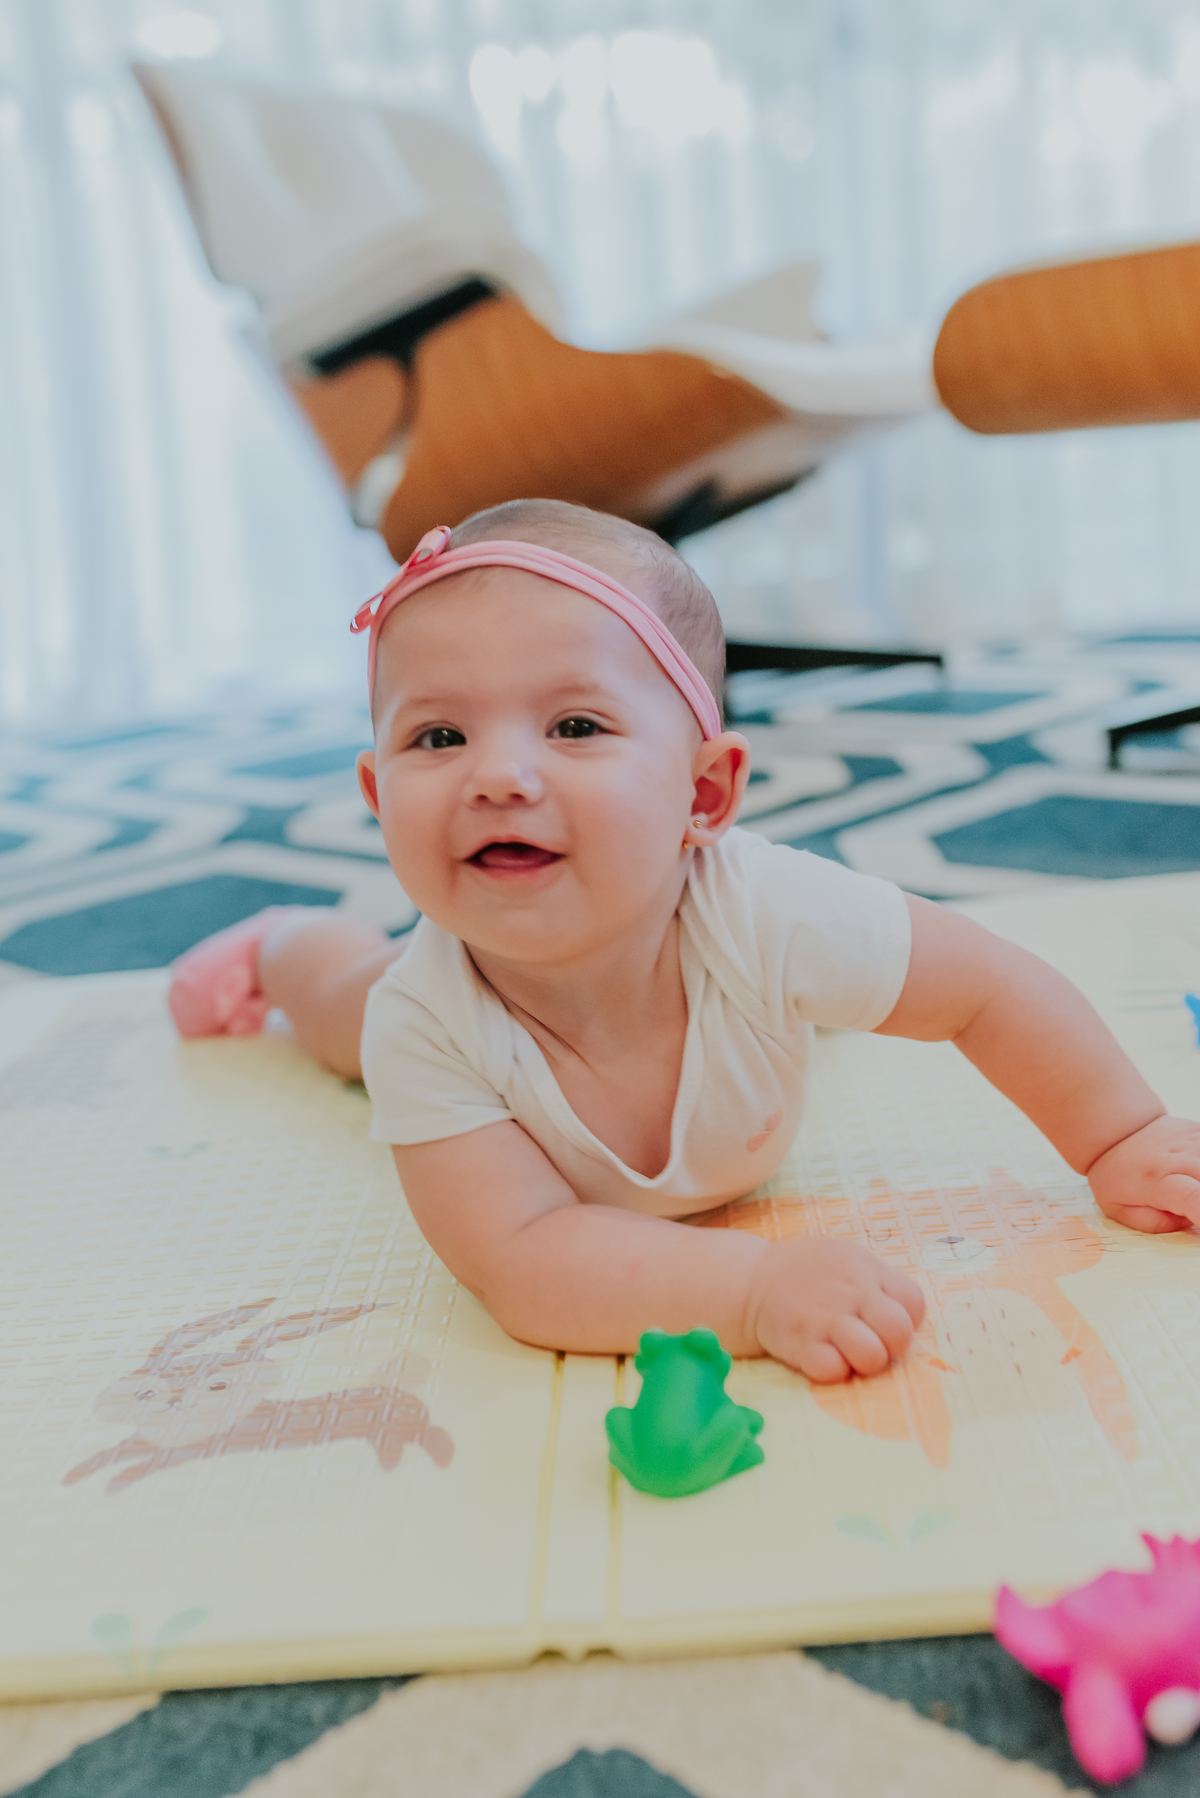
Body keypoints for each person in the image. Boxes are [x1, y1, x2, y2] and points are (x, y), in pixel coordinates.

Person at [168, 499, 1200, 1382]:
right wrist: (750, 1293)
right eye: (439, 736)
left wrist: (1118, 1136)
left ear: (704, 791)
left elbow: (987, 987)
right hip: (392, 992)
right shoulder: (425, 1018)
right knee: (345, 1004)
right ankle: (281, 943)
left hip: (744, 953)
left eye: (575, 726)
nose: (499, 776)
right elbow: (525, 1258)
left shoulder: (770, 911)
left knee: (814, 973)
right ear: (375, 793)